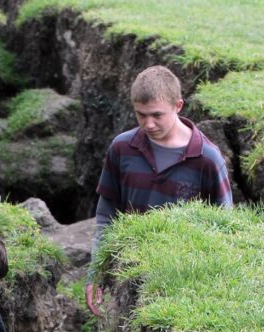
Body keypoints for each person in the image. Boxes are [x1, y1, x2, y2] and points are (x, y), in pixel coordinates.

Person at [86, 65, 233, 316]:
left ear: (178, 106)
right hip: (131, 268)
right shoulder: (122, 148)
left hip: (183, 278)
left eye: (156, 115)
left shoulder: (207, 159)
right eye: (140, 115)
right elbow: (106, 216)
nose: (148, 124)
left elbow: (225, 228)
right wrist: (95, 273)